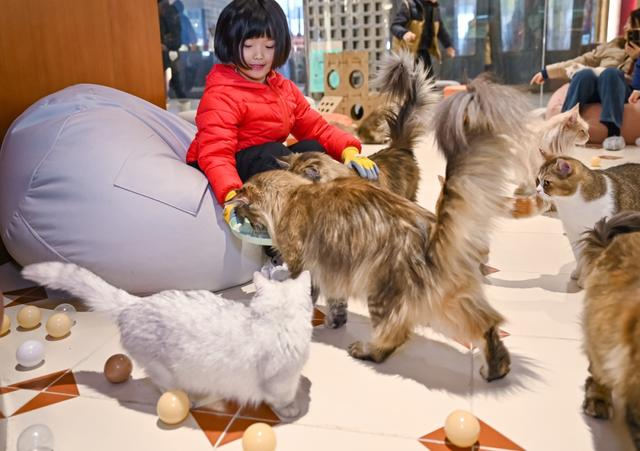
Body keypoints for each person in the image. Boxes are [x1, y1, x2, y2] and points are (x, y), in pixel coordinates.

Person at [185, 0, 378, 240]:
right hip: (220, 167)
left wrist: (349, 150)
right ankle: (285, 230)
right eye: (248, 45)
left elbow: (316, 128)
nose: (259, 55)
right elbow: (215, 153)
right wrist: (232, 196)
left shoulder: (282, 88)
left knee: (313, 148)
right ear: (231, 45)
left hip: (261, 161)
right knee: (275, 154)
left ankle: (322, 209)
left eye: (269, 46)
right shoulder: (222, 93)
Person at [530, 8, 640, 150]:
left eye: (631, 25)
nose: (625, 27)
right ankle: (562, 125)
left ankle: (613, 133)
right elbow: (582, 60)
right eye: (626, 23)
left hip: (622, 93)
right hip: (595, 89)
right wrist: (547, 72)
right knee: (584, 74)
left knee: (611, 73)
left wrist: (638, 57)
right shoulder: (613, 45)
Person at [390, 0, 456, 70]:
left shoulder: (434, 8)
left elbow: (440, 29)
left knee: (428, 75)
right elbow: (395, 26)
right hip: (408, 54)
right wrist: (404, 33)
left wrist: (448, 45)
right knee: (411, 75)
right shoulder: (409, 5)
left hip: (424, 52)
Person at [158, 0, 186, 99]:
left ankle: (182, 101)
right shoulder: (169, 10)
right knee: (175, 82)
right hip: (169, 51)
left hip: (168, 52)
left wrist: (165, 45)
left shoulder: (167, 11)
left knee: (175, 82)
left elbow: (175, 36)